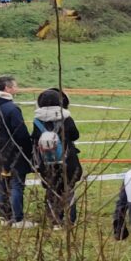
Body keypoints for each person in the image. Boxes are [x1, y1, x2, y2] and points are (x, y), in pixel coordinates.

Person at [30, 88, 81, 227]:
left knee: (51, 190)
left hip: (47, 162)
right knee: (68, 190)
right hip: (67, 159)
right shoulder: (66, 118)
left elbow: (34, 138)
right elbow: (75, 135)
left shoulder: (37, 120)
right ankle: (70, 220)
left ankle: (55, 221)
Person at [0, 75, 34, 228]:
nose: (17, 88)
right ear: (7, 88)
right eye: (15, 86)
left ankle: (4, 216)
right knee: (16, 184)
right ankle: (17, 219)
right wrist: (28, 150)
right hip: (13, 153)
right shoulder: (11, 108)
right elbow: (21, 133)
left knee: (1, 183)